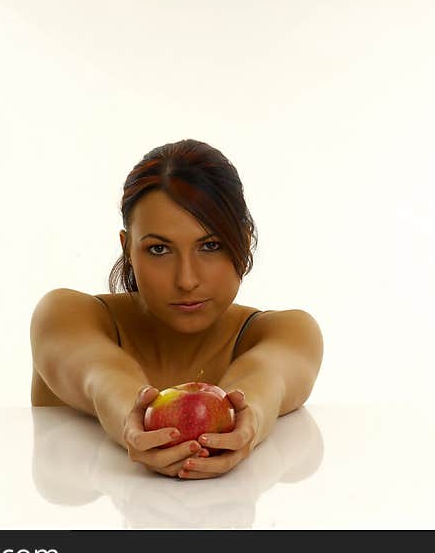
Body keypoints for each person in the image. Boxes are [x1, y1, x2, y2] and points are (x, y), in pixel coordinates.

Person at [29, 139, 323, 479]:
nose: (186, 279)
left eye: (210, 245)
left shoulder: (288, 332)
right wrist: (132, 422)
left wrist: (248, 423)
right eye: (159, 249)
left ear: (243, 241)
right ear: (127, 249)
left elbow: (266, 380)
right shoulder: (66, 316)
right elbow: (102, 376)